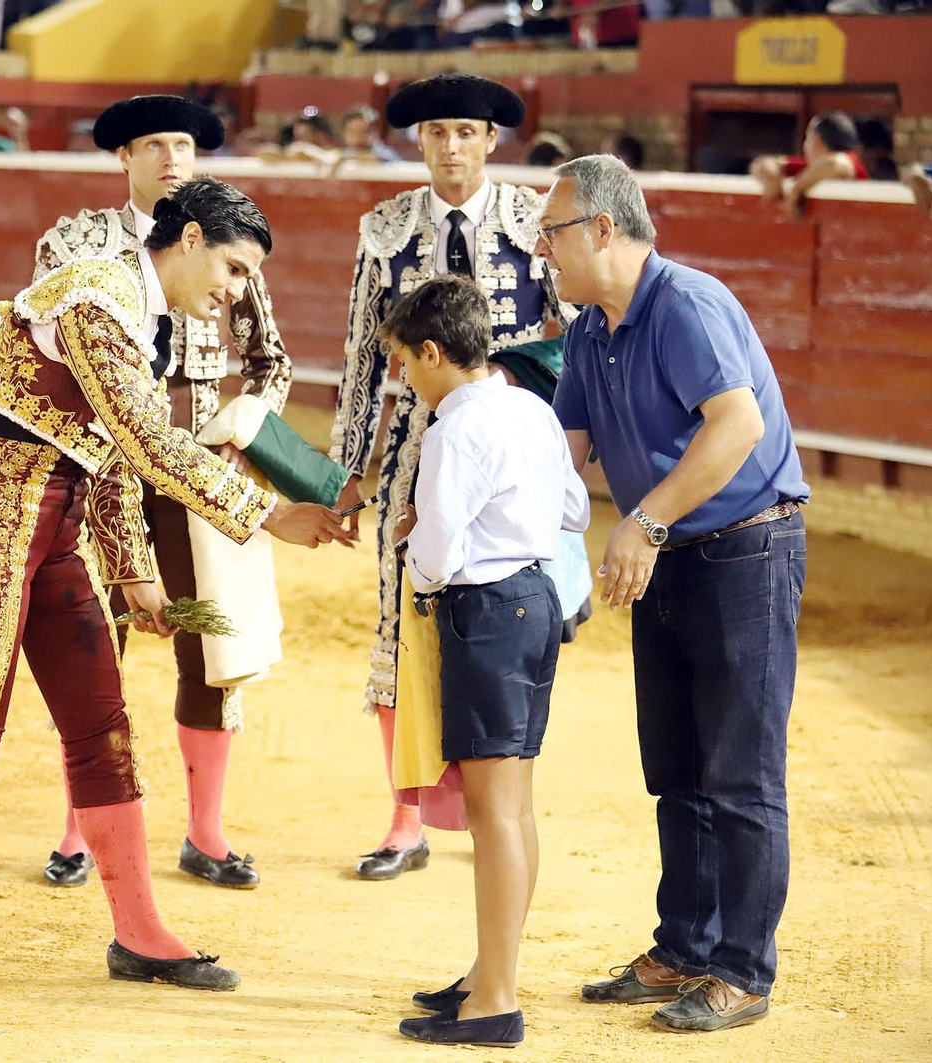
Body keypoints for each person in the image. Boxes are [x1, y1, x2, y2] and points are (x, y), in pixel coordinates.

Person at [0, 176, 353, 990]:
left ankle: (139, 932)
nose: (235, 292)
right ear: (190, 239)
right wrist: (267, 512)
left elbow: (110, 452)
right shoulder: (96, 295)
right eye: (233, 269)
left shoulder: (137, 313)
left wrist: (132, 567)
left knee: (103, 722)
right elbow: (146, 441)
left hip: (55, 540)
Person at [539, 155, 809, 1033]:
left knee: (740, 770)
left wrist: (645, 521)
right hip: (667, 556)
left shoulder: (687, 303)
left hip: (743, 549)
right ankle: (686, 947)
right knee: (678, 766)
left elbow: (739, 423)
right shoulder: (589, 330)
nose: (543, 249)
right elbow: (563, 454)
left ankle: (744, 970)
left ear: (603, 229)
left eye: (552, 232)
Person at [32, 96, 295, 891]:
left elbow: (271, 361)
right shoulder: (79, 245)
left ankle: (205, 831)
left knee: (209, 645)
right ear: (125, 157)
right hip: (99, 465)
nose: (172, 157)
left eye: (183, 143)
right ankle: (78, 828)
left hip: (197, 471)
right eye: (154, 144)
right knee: (92, 642)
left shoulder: (224, 243)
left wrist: (243, 427)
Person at [330, 72, 577, 882]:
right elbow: (363, 360)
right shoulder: (386, 229)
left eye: (466, 131)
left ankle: (494, 798)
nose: (451, 146)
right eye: (436, 131)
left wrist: (571, 443)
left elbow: (579, 332)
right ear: (419, 140)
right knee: (403, 623)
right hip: (415, 449)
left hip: (508, 445)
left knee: (503, 610)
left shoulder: (531, 220)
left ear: (491, 139)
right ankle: (407, 817)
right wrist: (346, 471)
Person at [387, 276, 588, 1048]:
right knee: (515, 806)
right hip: (536, 601)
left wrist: (416, 547)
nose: (406, 374)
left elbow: (436, 557)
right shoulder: (530, 408)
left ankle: (495, 1000)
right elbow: (572, 510)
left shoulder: (455, 429)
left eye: (407, 359)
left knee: (494, 813)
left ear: (434, 352)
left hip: (486, 615)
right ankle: (487, 974)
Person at [750, 111, 867, 215]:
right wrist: (771, 177)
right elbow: (764, 162)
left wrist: (795, 190)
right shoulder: (814, 169)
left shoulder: (849, 161)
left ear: (816, 141)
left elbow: (835, 164)